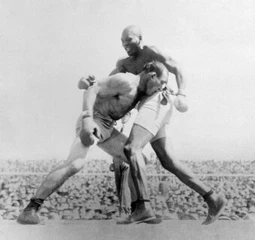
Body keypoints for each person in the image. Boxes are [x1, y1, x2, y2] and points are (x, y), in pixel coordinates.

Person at [16, 61, 169, 225]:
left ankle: (137, 210)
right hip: (94, 120)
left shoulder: (142, 91)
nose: (160, 88)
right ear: (152, 76)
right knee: (75, 164)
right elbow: (92, 88)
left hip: (108, 128)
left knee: (137, 160)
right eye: (161, 83)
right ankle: (30, 209)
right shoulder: (126, 81)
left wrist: (168, 92)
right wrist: (87, 118)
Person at [109, 25, 227, 225]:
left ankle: (142, 207)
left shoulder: (151, 52)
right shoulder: (124, 64)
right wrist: (91, 84)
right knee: (168, 161)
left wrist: (182, 93)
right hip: (148, 107)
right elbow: (109, 82)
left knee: (132, 148)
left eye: (129, 39)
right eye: (122, 41)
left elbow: (177, 68)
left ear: (140, 38)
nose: (126, 44)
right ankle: (213, 198)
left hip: (159, 100)